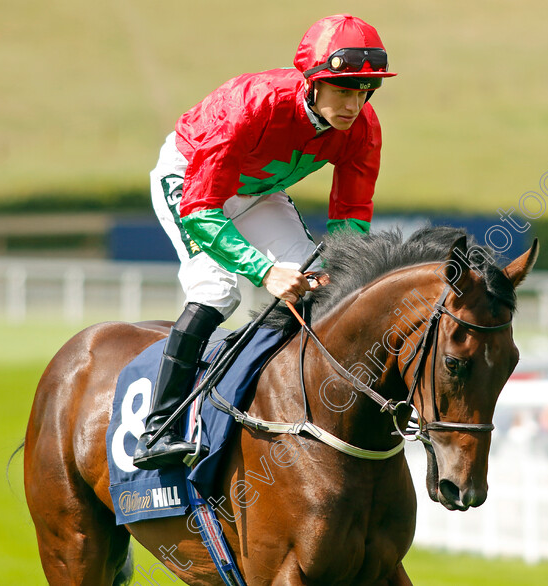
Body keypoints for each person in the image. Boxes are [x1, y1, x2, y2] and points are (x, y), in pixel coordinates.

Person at [133, 14, 396, 469]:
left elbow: (350, 219)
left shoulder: (363, 130)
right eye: (343, 90)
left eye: (364, 91)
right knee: (218, 292)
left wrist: (342, 273)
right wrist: (263, 271)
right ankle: (158, 430)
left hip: (258, 193)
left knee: (322, 288)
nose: (355, 105)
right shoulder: (252, 105)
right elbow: (200, 206)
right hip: (192, 182)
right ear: (312, 82)